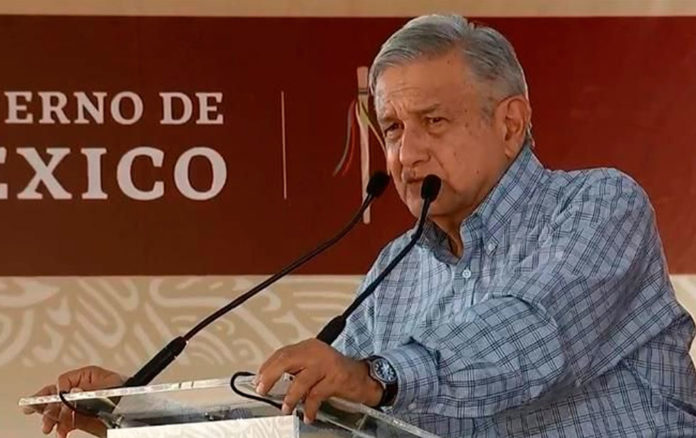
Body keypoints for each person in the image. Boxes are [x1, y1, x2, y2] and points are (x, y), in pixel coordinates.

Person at [23, 14, 696, 437]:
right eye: (393, 128)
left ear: (510, 124)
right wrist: (137, 414)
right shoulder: (395, 274)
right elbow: (317, 415)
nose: (406, 153)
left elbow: (531, 336)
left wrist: (377, 376)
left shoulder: (599, 206)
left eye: (434, 122)